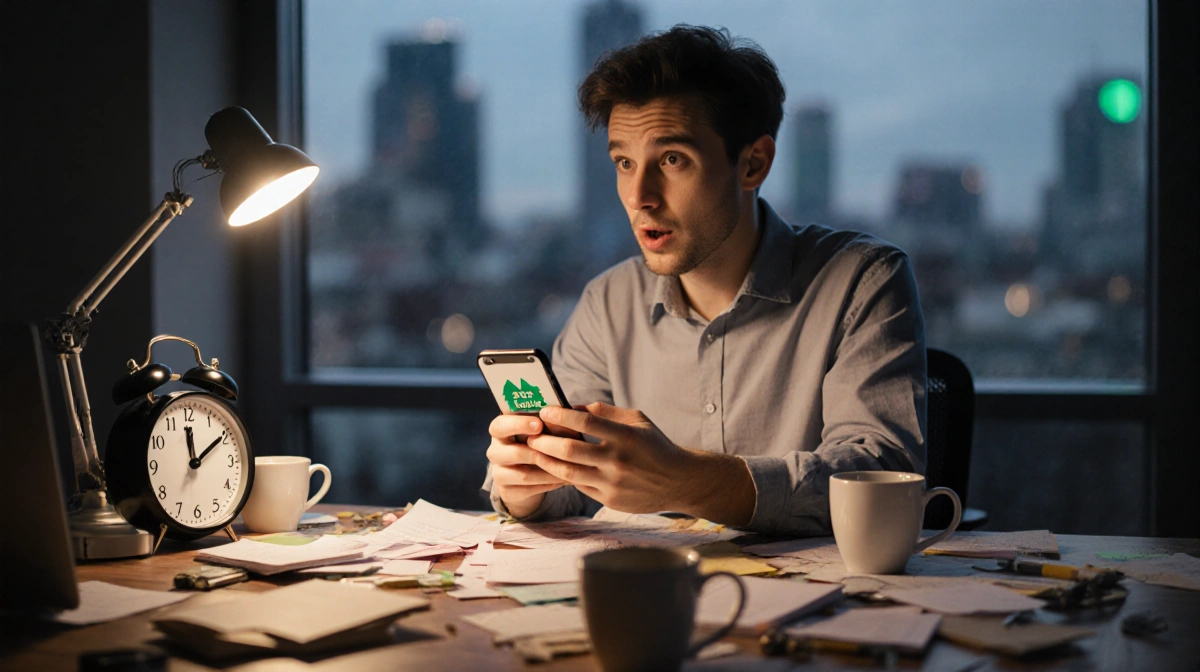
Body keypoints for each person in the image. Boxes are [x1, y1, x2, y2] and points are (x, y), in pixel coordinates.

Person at [483, 25, 926, 536]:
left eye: (672, 160)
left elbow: (881, 475)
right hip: (643, 597)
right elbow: (571, 487)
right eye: (624, 163)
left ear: (753, 164)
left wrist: (685, 481)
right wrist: (527, 488)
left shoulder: (861, 281)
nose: (639, 196)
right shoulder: (609, 302)